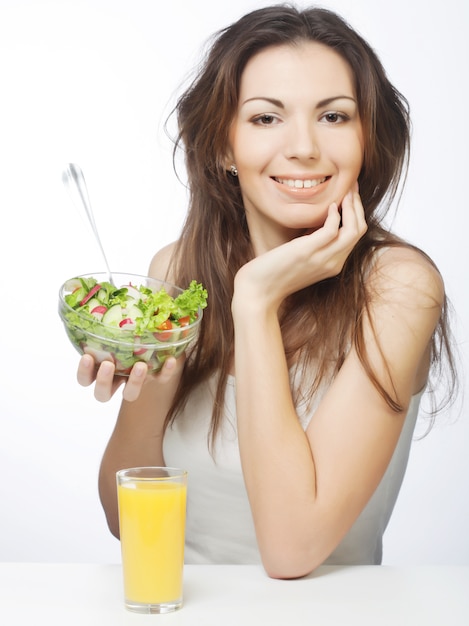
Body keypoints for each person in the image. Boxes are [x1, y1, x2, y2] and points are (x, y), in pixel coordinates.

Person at [77, 5, 456, 578]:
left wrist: (255, 300)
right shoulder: (178, 270)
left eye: (333, 116)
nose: (304, 146)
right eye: (265, 119)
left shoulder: (399, 287)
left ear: (366, 139)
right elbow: (124, 521)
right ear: (224, 146)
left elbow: (291, 550)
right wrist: (149, 386)